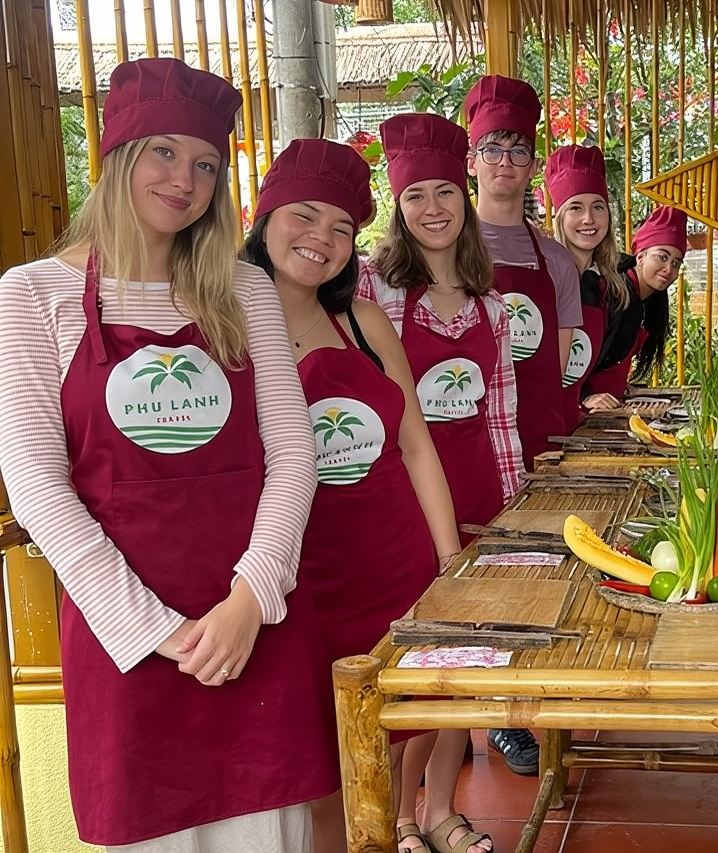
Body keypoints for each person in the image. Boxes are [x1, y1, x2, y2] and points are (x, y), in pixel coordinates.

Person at [0, 57, 335, 851]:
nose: (186, 179)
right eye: (165, 153)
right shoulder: (30, 292)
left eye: (207, 164)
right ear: (117, 156)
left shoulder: (243, 289)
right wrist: (156, 628)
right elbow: (35, 477)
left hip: (256, 618)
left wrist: (251, 599)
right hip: (130, 641)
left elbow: (293, 455)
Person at [244, 138, 486, 853]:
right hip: (297, 578)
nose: (322, 239)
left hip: (393, 561)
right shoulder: (222, 324)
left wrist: (448, 559)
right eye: (305, 216)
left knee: (389, 741)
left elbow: (415, 444)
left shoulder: (362, 321)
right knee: (315, 766)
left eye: (343, 227)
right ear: (263, 219)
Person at [356, 112, 532, 796]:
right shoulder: (371, 290)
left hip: (479, 497)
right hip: (404, 502)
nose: (434, 210)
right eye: (415, 197)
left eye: (445, 193)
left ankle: (440, 811)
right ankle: (400, 813)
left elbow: (501, 419)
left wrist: (513, 517)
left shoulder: (491, 305)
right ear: (398, 209)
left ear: (466, 195)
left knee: (466, 660)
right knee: (411, 663)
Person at [464, 74, 584, 466]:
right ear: (471, 162)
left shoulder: (558, 261)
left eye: (518, 152)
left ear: (533, 166)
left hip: (539, 439)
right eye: (492, 150)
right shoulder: (448, 253)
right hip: (469, 443)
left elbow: (558, 368)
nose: (505, 162)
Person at [544, 144, 630, 431]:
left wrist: (585, 399)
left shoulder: (605, 285)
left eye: (598, 207)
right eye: (576, 208)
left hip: (577, 426)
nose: (589, 219)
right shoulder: (544, 279)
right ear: (560, 217)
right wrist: (582, 401)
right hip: (543, 426)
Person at [580, 206, 687, 409]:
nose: (669, 269)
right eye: (662, 257)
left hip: (611, 405)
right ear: (640, 256)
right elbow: (575, 356)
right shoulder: (611, 292)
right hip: (586, 410)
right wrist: (583, 397)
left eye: (676, 263)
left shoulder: (647, 301)